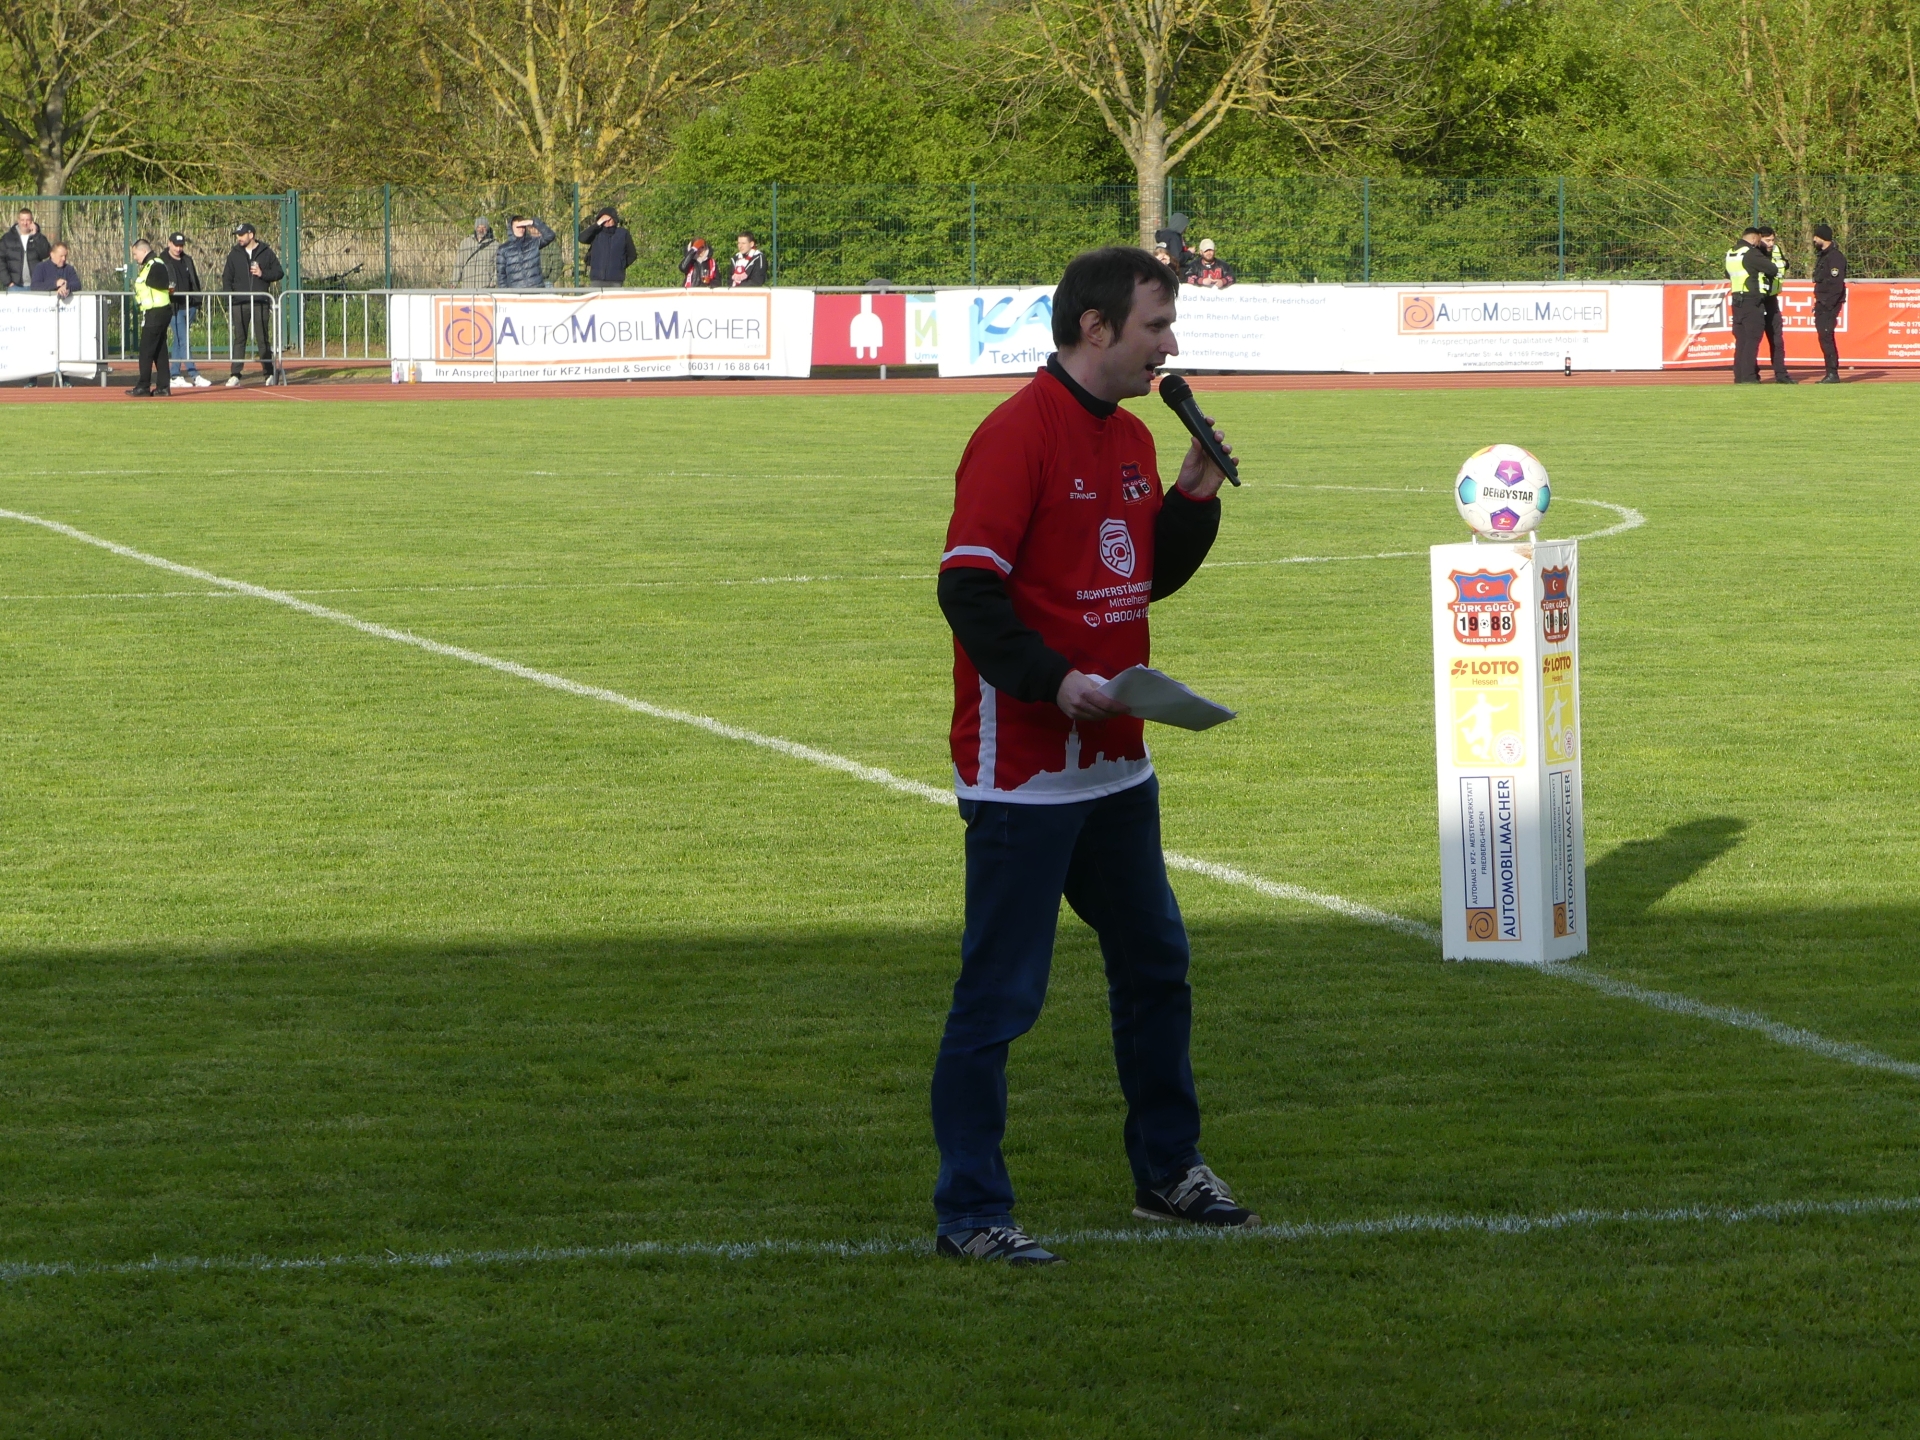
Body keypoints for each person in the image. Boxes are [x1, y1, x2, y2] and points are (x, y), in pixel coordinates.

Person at [930, 245, 1249, 1265]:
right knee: (1001, 997)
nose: (1171, 344)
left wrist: (1190, 502)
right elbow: (967, 588)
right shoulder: (1015, 434)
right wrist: (1050, 678)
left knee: (1156, 964)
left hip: (1117, 764)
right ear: (1096, 327)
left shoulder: (1136, 437)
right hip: (1024, 771)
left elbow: (1134, 576)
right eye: (1156, 326)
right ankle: (972, 1213)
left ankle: (1168, 1171)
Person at [220, 222, 283, 387]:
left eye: (242, 235)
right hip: (239, 303)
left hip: (260, 302)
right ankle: (235, 374)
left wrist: (263, 274)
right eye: (237, 235)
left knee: (263, 338)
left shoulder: (266, 252)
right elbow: (227, 277)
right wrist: (230, 298)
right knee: (239, 338)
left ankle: (269, 373)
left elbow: (279, 272)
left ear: (251, 235)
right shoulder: (234, 254)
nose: (239, 238)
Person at [1724, 226, 1776, 384]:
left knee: (1741, 340)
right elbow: (1772, 269)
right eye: (1759, 240)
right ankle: (1749, 377)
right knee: (1752, 339)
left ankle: (1739, 376)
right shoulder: (1751, 253)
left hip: (1736, 299)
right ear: (1754, 239)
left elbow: (1727, 273)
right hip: (1751, 300)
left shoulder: (1731, 252)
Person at [160, 233, 210, 388]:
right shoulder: (162, 261)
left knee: (179, 341)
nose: (178, 248)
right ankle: (194, 374)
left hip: (189, 306)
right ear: (169, 243)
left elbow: (194, 281)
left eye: (181, 245)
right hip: (174, 308)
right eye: (176, 245)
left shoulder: (187, 259)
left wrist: (197, 301)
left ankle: (174, 375)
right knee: (184, 340)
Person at [127, 239, 174, 398]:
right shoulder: (151, 265)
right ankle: (163, 387)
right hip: (158, 311)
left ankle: (143, 386)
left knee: (146, 351)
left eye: (135, 254)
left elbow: (166, 284)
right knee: (159, 351)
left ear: (143, 251)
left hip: (156, 312)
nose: (134, 258)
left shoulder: (155, 265)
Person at [1754, 224, 1795, 383]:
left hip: (1772, 299)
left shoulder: (1776, 250)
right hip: (1756, 300)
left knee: (1777, 339)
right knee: (1753, 340)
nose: (1771, 243)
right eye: (1767, 240)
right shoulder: (1753, 252)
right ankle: (1752, 374)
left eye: (1772, 240)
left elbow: (1785, 264)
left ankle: (1781, 374)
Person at [1811, 222, 1848, 383]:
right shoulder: (1824, 256)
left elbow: (1836, 283)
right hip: (1823, 302)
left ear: (1822, 238)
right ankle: (1831, 373)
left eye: (1816, 237)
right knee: (1824, 336)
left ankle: (1832, 373)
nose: (1814, 240)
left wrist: (1827, 304)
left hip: (1828, 303)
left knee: (1826, 336)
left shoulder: (1835, 257)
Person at [578, 207, 637, 286]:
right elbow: (581, 238)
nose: (606, 222)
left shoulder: (623, 234)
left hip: (615, 280)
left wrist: (620, 265)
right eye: (603, 220)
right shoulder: (596, 233)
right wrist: (597, 224)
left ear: (614, 219)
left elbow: (632, 255)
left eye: (608, 219)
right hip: (597, 279)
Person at [495, 216, 554, 289]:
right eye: (518, 227)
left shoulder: (533, 242)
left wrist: (533, 222)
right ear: (511, 228)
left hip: (536, 288)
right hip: (516, 291)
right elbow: (501, 276)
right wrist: (505, 293)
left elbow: (550, 235)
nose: (521, 229)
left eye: (523, 226)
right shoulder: (503, 249)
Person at [3, 208, 52, 290]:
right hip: (15, 286)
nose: (25, 223)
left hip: (35, 285)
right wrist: (8, 281)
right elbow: (1, 260)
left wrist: (36, 236)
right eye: (22, 220)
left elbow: (45, 254)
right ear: (18, 220)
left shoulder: (39, 237)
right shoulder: (7, 238)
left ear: (32, 221)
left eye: (28, 220)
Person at [451, 217, 497, 290]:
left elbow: (498, 268)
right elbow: (459, 264)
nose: (481, 230)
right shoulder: (465, 243)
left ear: (487, 229)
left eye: (484, 227)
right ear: (475, 228)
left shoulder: (495, 245)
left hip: (485, 290)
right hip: (467, 288)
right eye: (479, 227)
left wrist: (493, 283)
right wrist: (454, 282)